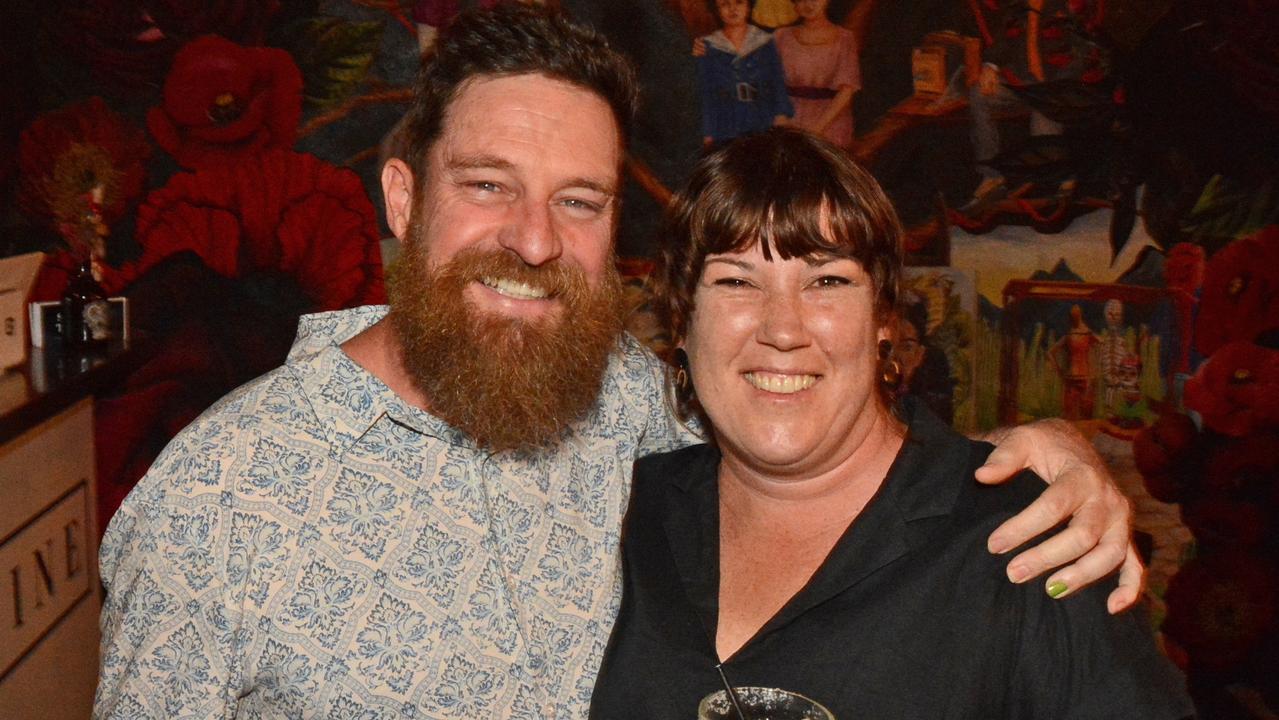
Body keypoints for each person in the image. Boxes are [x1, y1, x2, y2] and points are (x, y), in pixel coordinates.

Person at [95, 7, 1138, 718]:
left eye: (579, 202)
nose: (536, 240)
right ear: (403, 201)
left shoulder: (626, 403)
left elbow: (812, 437)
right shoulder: (217, 496)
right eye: (489, 186)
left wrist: (1043, 453)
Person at [590, 128, 1193, 719]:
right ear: (682, 320)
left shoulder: (1030, 538)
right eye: (735, 281)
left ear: (883, 318)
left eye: (827, 280)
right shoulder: (635, 509)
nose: (781, 329)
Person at [695, 0, 793, 146]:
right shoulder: (708, 46)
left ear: (748, 7)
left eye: (739, 2)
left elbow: (777, 80)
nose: (732, 9)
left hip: (761, 115)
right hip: (725, 120)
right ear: (716, 9)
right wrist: (708, 133)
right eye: (724, 4)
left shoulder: (764, 42)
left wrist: (781, 114)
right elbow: (706, 92)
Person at [773, 0, 860, 148]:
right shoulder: (781, 36)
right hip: (787, 117)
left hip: (829, 121)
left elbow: (847, 90)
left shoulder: (844, 38)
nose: (808, 4)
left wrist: (817, 128)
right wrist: (780, 118)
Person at [1049, 304, 1100, 420]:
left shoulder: (1085, 333)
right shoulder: (1073, 335)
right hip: (1073, 378)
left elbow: (1102, 344)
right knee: (1070, 415)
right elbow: (1051, 352)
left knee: (1085, 414)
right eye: (1073, 316)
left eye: (1076, 315)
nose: (1075, 318)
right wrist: (1059, 370)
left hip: (1084, 378)